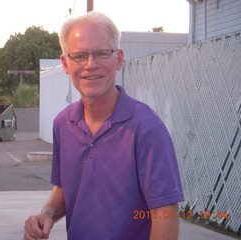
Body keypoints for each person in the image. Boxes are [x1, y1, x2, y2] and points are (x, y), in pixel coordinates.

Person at [23, 11, 184, 240]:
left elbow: (165, 212)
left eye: (101, 53)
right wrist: (47, 214)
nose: (91, 65)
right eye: (79, 55)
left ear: (118, 59)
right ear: (65, 63)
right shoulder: (63, 124)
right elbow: (65, 188)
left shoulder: (146, 128)